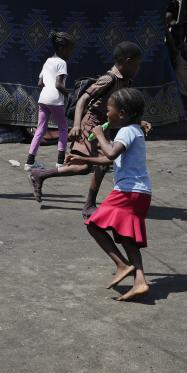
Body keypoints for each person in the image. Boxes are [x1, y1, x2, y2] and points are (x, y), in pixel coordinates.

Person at [29, 41, 143, 219]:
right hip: (90, 124)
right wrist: (76, 125)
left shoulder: (125, 80)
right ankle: (88, 204)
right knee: (99, 162)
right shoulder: (108, 79)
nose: (138, 68)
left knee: (87, 166)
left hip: (102, 124)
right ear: (127, 61)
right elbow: (82, 100)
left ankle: (41, 174)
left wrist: (139, 121)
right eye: (137, 64)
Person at [68, 88, 153, 302]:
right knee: (127, 237)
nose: (107, 115)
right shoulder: (135, 130)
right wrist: (85, 160)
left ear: (122, 113)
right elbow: (108, 160)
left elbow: (111, 153)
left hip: (128, 191)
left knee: (93, 223)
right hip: (141, 193)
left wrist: (98, 134)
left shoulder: (126, 132)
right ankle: (140, 281)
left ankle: (122, 265)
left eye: (109, 110)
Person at [26, 31, 75, 169]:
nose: (70, 53)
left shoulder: (48, 61)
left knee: (40, 128)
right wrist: (69, 95)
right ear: (62, 48)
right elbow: (59, 84)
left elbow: (40, 83)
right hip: (55, 99)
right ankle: (60, 161)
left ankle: (30, 162)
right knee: (64, 128)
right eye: (70, 49)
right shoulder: (62, 63)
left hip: (43, 98)